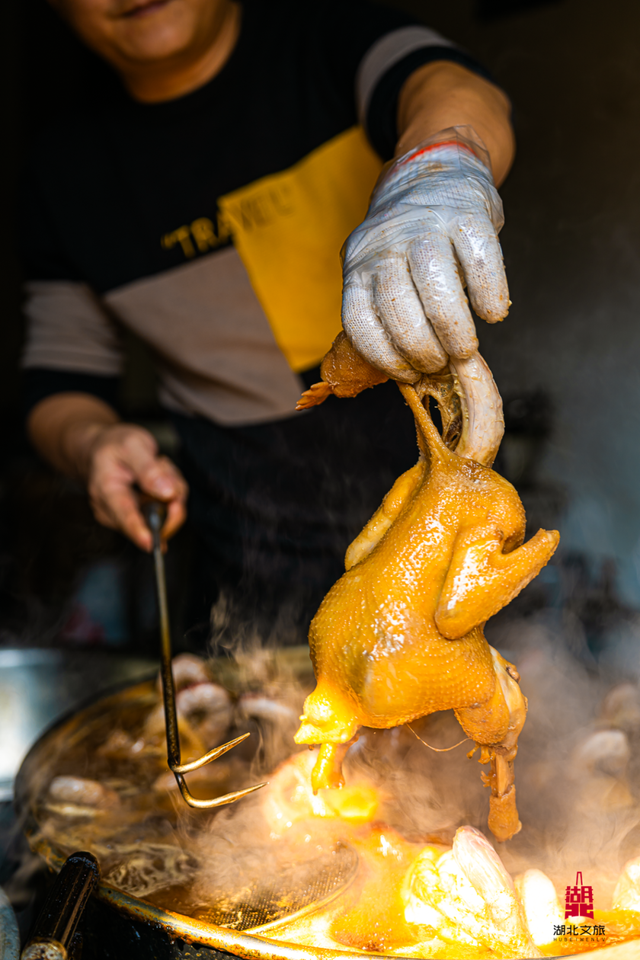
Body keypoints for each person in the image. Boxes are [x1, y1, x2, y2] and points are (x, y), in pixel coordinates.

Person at [22, 0, 514, 643]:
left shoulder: (327, 33)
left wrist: (438, 168)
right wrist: (92, 443)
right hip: (247, 547)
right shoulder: (64, 172)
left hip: (446, 519)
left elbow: (449, 85)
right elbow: (61, 380)